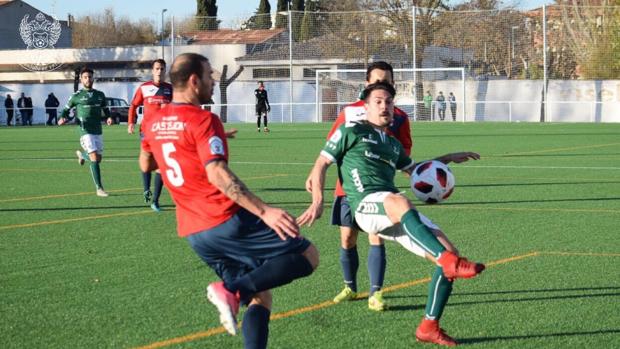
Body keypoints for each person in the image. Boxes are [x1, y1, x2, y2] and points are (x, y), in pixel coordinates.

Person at [139, 53, 319, 348]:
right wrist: (265, 211)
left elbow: (147, 164)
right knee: (308, 255)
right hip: (225, 220)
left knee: (261, 296)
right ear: (195, 81)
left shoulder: (155, 121)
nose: (213, 81)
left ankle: (237, 297)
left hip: (195, 233)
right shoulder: (203, 119)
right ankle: (230, 290)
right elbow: (218, 175)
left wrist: (192, 150)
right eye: (209, 76)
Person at [299, 81, 484, 346]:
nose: (385, 106)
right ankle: (447, 261)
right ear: (366, 106)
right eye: (378, 101)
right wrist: (317, 199)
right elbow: (321, 164)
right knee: (400, 202)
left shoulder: (393, 144)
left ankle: (429, 327)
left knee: (449, 252)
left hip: (392, 209)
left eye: (389, 101)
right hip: (365, 206)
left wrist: (447, 158)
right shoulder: (350, 130)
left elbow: (415, 170)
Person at [314, 61, 412, 312]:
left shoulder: (399, 117)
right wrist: (313, 175)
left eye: (387, 81)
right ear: (367, 84)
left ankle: (376, 293)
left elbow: (404, 151)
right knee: (347, 239)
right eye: (377, 80)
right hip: (347, 187)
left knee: (375, 236)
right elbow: (331, 146)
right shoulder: (349, 113)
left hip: (378, 188)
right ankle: (350, 286)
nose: (382, 84)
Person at [58, 67, 113, 197]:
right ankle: (99, 188)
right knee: (94, 157)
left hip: (97, 130)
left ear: (93, 78)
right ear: (81, 79)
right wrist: (62, 118)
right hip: (85, 130)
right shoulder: (76, 96)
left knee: (98, 159)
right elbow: (65, 110)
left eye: (90, 77)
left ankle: (83, 155)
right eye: (85, 77)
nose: (88, 79)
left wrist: (109, 117)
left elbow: (106, 110)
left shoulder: (100, 95)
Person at [128, 58, 173, 212]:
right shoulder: (144, 88)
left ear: (165, 71)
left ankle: (155, 201)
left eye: (162, 69)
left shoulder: (170, 89)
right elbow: (134, 105)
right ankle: (146, 188)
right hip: (146, 132)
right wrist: (131, 122)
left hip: (164, 133)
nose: (159, 71)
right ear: (153, 71)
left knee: (161, 165)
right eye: (157, 68)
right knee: (146, 161)